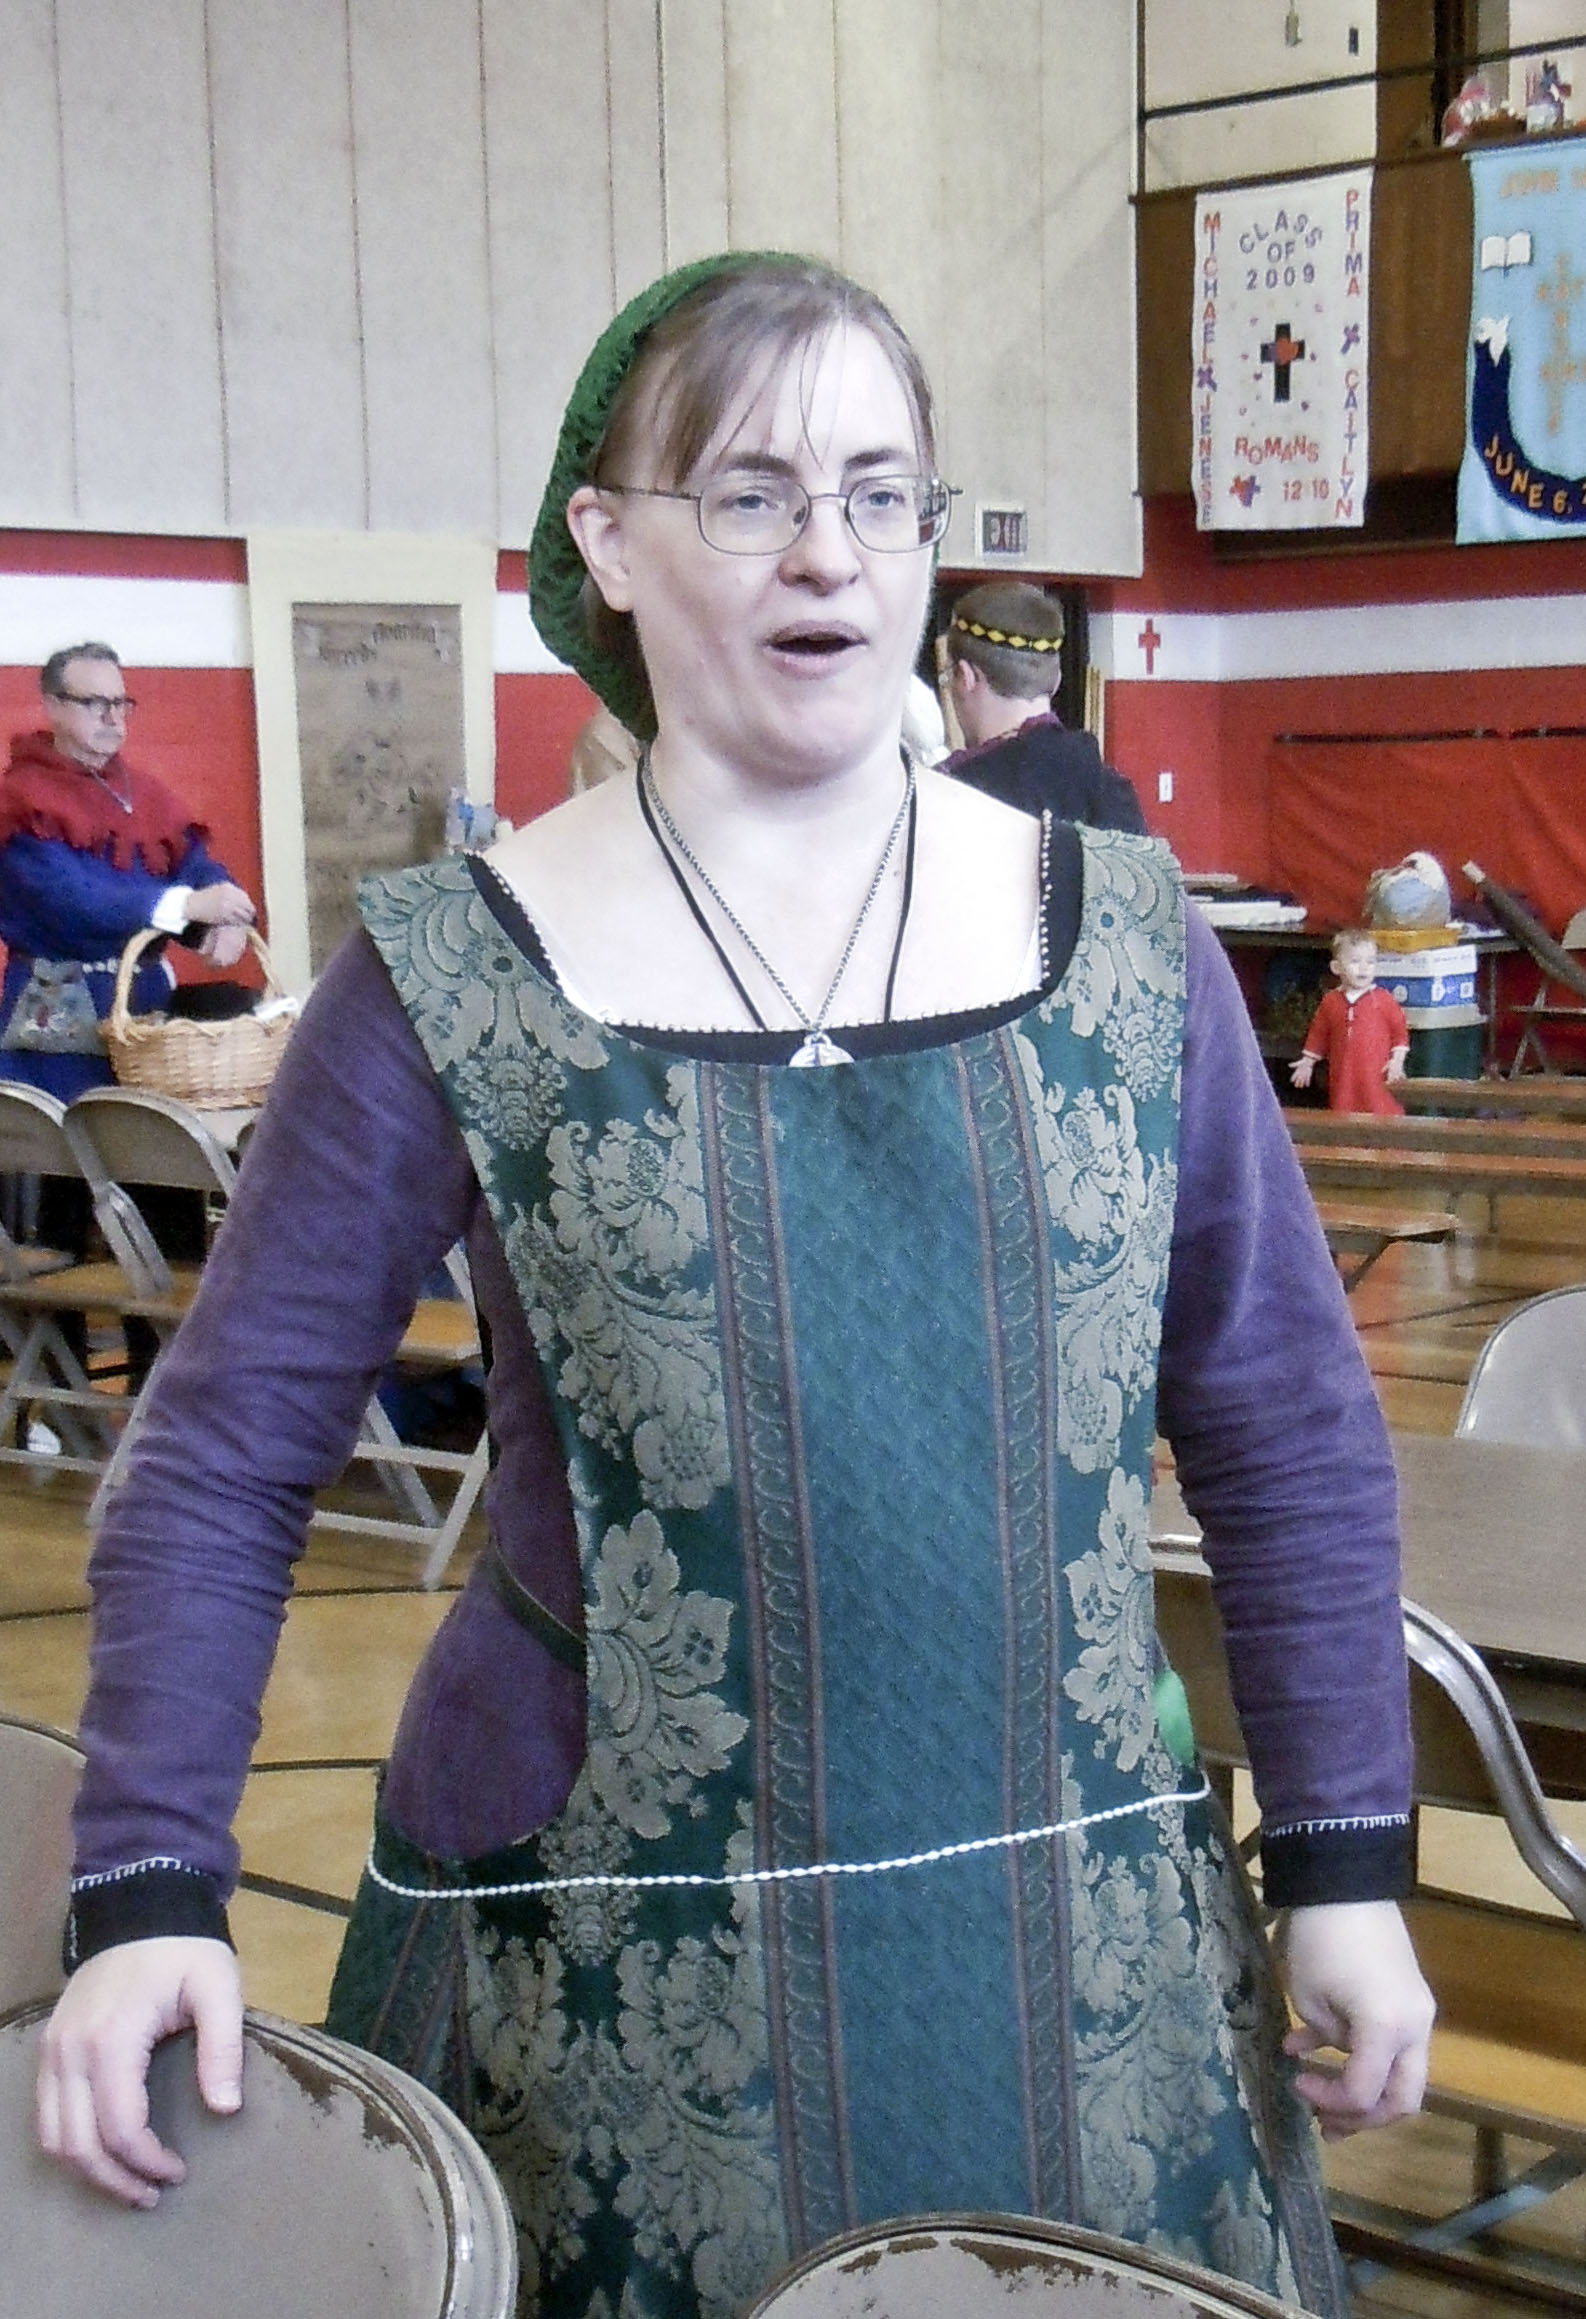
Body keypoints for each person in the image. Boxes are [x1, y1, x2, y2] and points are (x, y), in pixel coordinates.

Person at [37, 255, 1432, 2319]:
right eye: (752, 493)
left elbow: (1285, 1421)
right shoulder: (448, 972)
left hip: (1086, 1971)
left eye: (878, 493)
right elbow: (225, 1454)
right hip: (597, 1980)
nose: (828, 553)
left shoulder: (1128, 943)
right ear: (607, 541)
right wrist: (150, 1877)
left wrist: (1342, 1861)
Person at [0, 643, 256, 1101]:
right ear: (53, 705)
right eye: (94, 703)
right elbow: (70, 900)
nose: (113, 717)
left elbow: (194, 864)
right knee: (65, 1140)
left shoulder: (146, 794)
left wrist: (228, 913)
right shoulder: (20, 801)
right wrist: (189, 905)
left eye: (120, 703)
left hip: (147, 1023)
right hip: (59, 1036)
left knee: (149, 1138)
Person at [941, 580, 1147, 833]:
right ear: (1057, 680)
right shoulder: (1116, 794)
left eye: (948, 676)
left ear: (966, 678)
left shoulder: (948, 794)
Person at [1290, 930, 1411, 1115]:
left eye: (1370, 962)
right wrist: (1308, 1062)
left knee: (1381, 1109)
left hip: (1377, 1075)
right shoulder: (1331, 1001)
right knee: (1344, 1107)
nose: (1363, 968)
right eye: (1355, 961)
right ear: (1336, 967)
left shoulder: (1384, 999)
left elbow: (1400, 1033)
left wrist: (1397, 1061)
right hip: (1344, 1075)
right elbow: (1318, 1034)